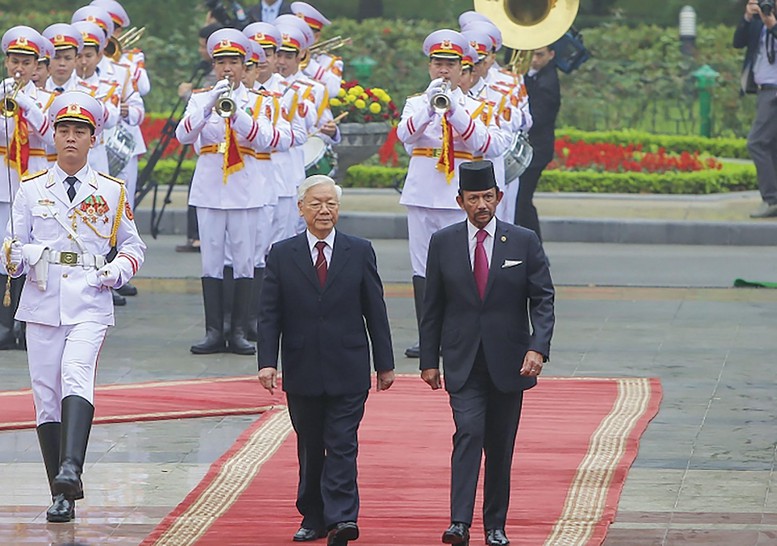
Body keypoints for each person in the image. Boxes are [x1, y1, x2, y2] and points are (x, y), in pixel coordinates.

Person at [1, 90, 145, 523]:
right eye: (63, 130)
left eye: (78, 131)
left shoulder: (111, 191)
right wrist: (20, 255)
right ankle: (61, 493)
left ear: (92, 137)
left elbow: (134, 248)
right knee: (46, 396)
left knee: (75, 373)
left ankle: (71, 467)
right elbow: (9, 248)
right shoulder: (30, 190)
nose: (69, 138)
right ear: (54, 137)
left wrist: (116, 271)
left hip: (89, 298)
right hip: (42, 300)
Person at [419, 160, 554, 546]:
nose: (482, 204)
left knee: (499, 445)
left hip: (510, 362)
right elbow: (433, 306)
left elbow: (543, 299)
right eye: (474, 197)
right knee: (468, 433)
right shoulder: (443, 242)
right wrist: (430, 359)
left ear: (500, 197)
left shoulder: (523, 241)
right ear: (460, 200)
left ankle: (495, 526)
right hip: (463, 361)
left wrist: (537, 348)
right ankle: (458, 522)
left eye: (488, 196)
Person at [257, 175, 395, 545]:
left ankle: (343, 518)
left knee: (342, 442)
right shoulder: (282, 254)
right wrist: (267, 361)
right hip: (302, 368)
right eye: (316, 203)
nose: (324, 210)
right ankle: (313, 516)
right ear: (301, 208)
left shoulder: (359, 250)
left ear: (339, 208)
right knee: (311, 444)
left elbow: (375, 310)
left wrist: (385, 363)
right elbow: (270, 313)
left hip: (348, 366)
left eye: (330, 203)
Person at [176, 28, 290, 355]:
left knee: (243, 259)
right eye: (221, 62)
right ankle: (214, 330)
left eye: (233, 62)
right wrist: (210, 104)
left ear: (244, 66)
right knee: (211, 261)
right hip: (210, 188)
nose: (227, 68)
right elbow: (182, 135)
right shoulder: (201, 98)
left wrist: (236, 114)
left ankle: (239, 330)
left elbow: (268, 140)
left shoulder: (261, 101)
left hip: (245, 189)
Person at [397, 29, 505, 358]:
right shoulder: (417, 102)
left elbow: (488, 145)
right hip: (422, 193)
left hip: (461, 197)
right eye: (437, 63)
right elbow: (405, 136)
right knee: (422, 269)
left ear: (463, 68)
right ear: (430, 66)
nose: (443, 70)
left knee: (465, 265)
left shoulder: (479, 106)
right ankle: (428, 338)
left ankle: (465, 334)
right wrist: (431, 108)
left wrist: (454, 110)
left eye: (450, 64)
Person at [1, 26, 56, 351]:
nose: (19, 68)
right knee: (4, 254)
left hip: (35, 183)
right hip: (4, 183)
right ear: (6, 62)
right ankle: (5, 324)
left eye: (26, 62)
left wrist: (25, 103)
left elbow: (51, 137)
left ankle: (29, 324)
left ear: (37, 65)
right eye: (14, 61)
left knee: (34, 255)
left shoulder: (48, 98)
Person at [175, 22, 223, 254]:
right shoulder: (204, 69)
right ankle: (197, 236)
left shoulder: (214, 75)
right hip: (207, 148)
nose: (201, 51)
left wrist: (186, 94)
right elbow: (183, 132)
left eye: (204, 47)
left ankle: (198, 237)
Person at [733, 0, 777, 218]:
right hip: (763, 90)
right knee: (771, 145)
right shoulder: (758, 20)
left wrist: (773, 25)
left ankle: (771, 199)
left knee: (757, 143)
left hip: (775, 91)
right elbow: (737, 43)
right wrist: (747, 18)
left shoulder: (770, 21)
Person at [516, 46, 560, 238]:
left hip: (536, 150)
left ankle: (535, 251)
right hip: (529, 149)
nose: (534, 59)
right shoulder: (533, 75)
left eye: (539, 55)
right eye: (531, 54)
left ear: (551, 55)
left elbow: (537, 118)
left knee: (521, 201)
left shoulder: (547, 82)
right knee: (518, 200)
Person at [291, 2, 344, 98]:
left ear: (316, 37)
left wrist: (307, 62)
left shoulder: (331, 62)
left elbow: (333, 91)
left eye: (304, 33)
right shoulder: (281, 55)